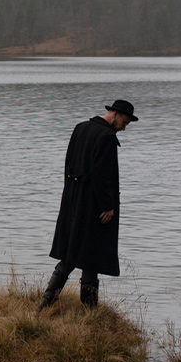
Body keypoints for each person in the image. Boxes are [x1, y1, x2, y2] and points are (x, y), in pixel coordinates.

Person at [39, 99, 137, 311]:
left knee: (83, 255)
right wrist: (107, 206)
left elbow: (68, 164)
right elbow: (102, 175)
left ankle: (54, 306)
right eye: (125, 122)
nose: (124, 127)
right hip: (94, 206)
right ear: (115, 114)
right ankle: (78, 309)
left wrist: (70, 195)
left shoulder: (81, 127)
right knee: (82, 255)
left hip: (73, 201)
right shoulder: (107, 137)